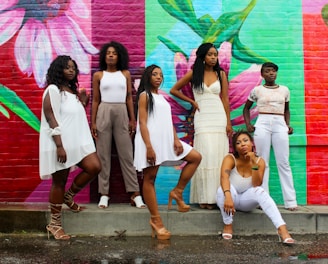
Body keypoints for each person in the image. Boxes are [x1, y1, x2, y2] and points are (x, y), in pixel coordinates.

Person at [134, 64, 202, 240]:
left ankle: (177, 191)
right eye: (154, 74)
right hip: (151, 141)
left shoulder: (161, 97)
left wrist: (176, 139)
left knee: (195, 157)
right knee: (150, 178)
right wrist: (148, 146)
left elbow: (167, 121)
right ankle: (156, 220)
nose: (158, 77)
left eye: (160, 75)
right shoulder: (144, 96)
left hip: (167, 140)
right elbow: (142, 123)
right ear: (147, 77)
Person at [39, 55, 102, 240]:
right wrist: (59, 145)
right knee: (59, 181)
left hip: (77, 142)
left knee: (94, 167)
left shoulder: (71, 91)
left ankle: (69, 197)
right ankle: (54, 224)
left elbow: (70, 115)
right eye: (67, 67)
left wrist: (82, 102)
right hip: (61, 143)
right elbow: (51, 116)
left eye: (73, 67)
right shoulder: (53, 89)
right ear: (59, 70)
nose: (71, 70)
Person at [170, 43, 233, 209]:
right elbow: (174, 90)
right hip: (202, 117)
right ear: (203, 57)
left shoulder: (221, 74)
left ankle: (216, 198)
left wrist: (228, 122)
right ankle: (204, 198)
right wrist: (192, 101)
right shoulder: (194, 73)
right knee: (205, 154)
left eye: (215, 55)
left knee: (218, 156)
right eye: (210, 55)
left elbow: (225, 99)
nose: (213, 58)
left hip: (218, 117)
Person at [91, 41, 146, 209]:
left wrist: (132, 118)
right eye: (108, 53)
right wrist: (93, 122)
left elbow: (129, 97)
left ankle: (135, 193)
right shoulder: (99, 75)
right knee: (103, 155)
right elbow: (95, 100)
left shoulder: (125, 74)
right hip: (104, 111)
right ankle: (104, 194)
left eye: (114, 53)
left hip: (122, 110)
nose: (111, 55)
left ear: (119, 56)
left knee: (127, 154)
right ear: (104, 56)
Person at [216, 130, 295, 244]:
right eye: (238, 143)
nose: (243, 144)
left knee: (260, 191)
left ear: (252, 143)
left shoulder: (260, 161)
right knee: (221, 190)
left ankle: (282, 230)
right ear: (235, 147)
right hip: (230, 198)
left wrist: (254, 163)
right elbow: (224, 178)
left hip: (245, 201)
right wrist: (228, 196)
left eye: (245, 140)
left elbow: (256, 184)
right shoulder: (230, 158)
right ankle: (228, 224)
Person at [243, 62, 297, 211]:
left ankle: (291, 201)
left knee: (284, 162)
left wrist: (287, 125)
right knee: (262, 161)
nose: (271, 73)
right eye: (267, 71)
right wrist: (248, 124)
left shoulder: (285, 90)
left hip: (279, 122)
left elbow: (287, 110)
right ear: (262, 75)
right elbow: (246, 108)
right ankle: (263, 199)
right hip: (263, 122)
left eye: (273, 71)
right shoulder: (257, 90)